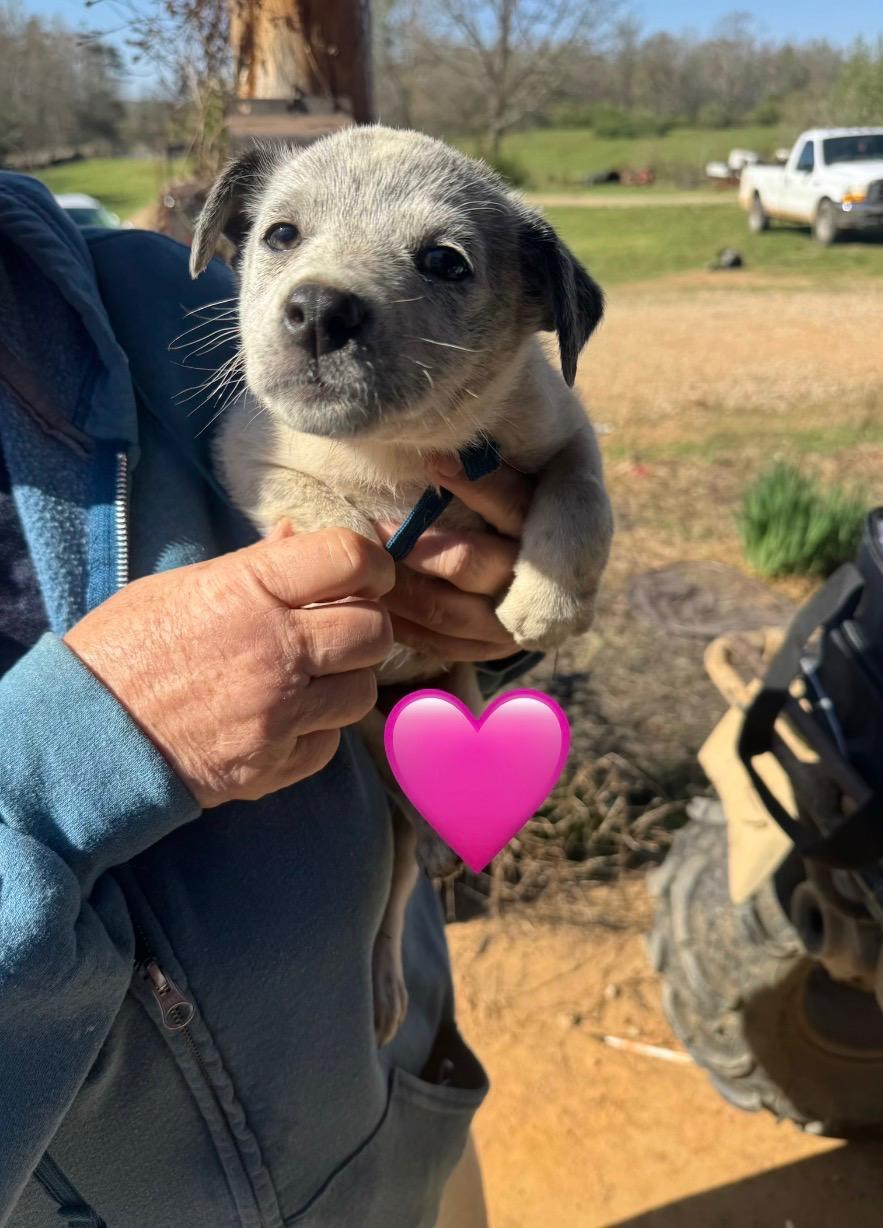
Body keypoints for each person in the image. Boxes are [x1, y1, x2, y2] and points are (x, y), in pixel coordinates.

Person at [0, 173, 548, 1226]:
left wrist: (483, 603)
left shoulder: (162, 293)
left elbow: (450, 567)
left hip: (399, 1110)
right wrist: (77, 758)